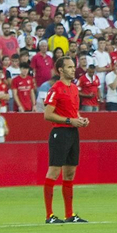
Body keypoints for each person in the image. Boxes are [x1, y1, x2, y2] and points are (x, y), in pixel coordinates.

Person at [43, 54, 89, 224]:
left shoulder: (74, 88)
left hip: (73, 132)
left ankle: (69, 214)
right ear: (61, 70)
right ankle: (49, 215)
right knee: (54, 172)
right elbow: (47, 114)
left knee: (70, 172)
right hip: (60, 133)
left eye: (73, 67)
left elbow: (74, 111)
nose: (73, 70)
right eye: (69, 67)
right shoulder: (56, 89)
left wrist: (81, 119)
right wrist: (70, 120)